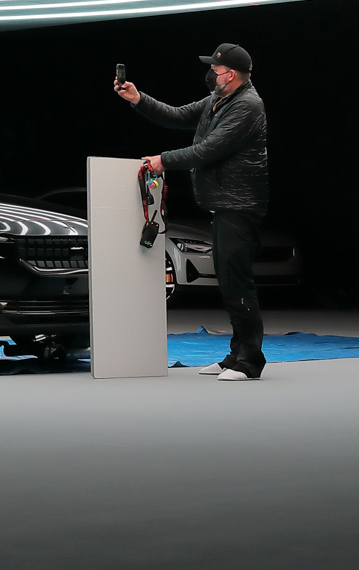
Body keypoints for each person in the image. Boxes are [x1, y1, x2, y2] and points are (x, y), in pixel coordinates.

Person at [114, 44, 270, 381]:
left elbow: (209, 149)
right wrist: (139, 99)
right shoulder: (219, 100)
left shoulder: (248, 105)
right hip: (224, 204)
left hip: (239, 205)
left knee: (237, 282)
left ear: (229, 73)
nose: (210, 74)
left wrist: (163, 160)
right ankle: (235, 355)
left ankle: (250, 361)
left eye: (215, 69)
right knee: (228, 282)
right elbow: (177, 115)